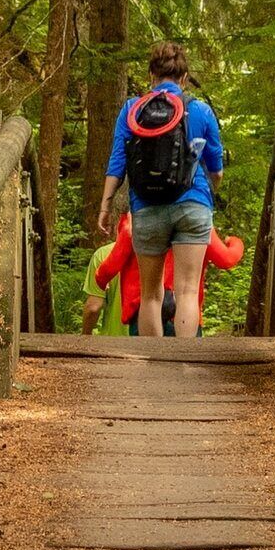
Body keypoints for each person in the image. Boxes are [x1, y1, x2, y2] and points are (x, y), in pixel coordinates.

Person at [92, 44, 226, 338]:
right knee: (187, 291)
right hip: (193, 204)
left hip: (146, 205)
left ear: (151, 75)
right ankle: (185, 360)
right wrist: (208, 197)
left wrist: (105, 206)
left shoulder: (132, 110)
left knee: (151, 295)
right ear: (185, 78)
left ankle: (154, 363)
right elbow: (216, 169)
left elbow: (117, 163)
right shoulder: (200, 110)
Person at [83, 217, 245, 333]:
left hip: (143, 313)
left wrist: (101, 279)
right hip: (185, 315)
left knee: (148, 364)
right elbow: (227, 259)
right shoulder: (197, 218)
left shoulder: (136, 218)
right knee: (185, 363)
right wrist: (234, 241)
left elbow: (111, 265)